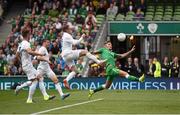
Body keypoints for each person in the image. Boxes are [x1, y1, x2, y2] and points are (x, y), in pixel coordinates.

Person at [12, 28, 54, 103]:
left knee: (38, 79)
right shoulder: (26, 43)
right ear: (28, 34)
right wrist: (40, 54)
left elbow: (17, 55)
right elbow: (30, 52)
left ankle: (21, 88)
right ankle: (30, 99)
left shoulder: (21, 44)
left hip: (26, 65)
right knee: (36, 80)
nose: (31, 34)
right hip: (28, 65)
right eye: (30, 33)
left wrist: (22, 63)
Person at [61, 24, 106, 89]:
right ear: (66, 29)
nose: (71, 29)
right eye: (70, 28)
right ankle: (98, 62)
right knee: (85, 52)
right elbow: (75, 43)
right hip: (67, 53)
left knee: (75, 71)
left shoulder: (65, 35)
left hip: (65, 56)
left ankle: (66, 80)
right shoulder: (67, 35)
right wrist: (82, 37)